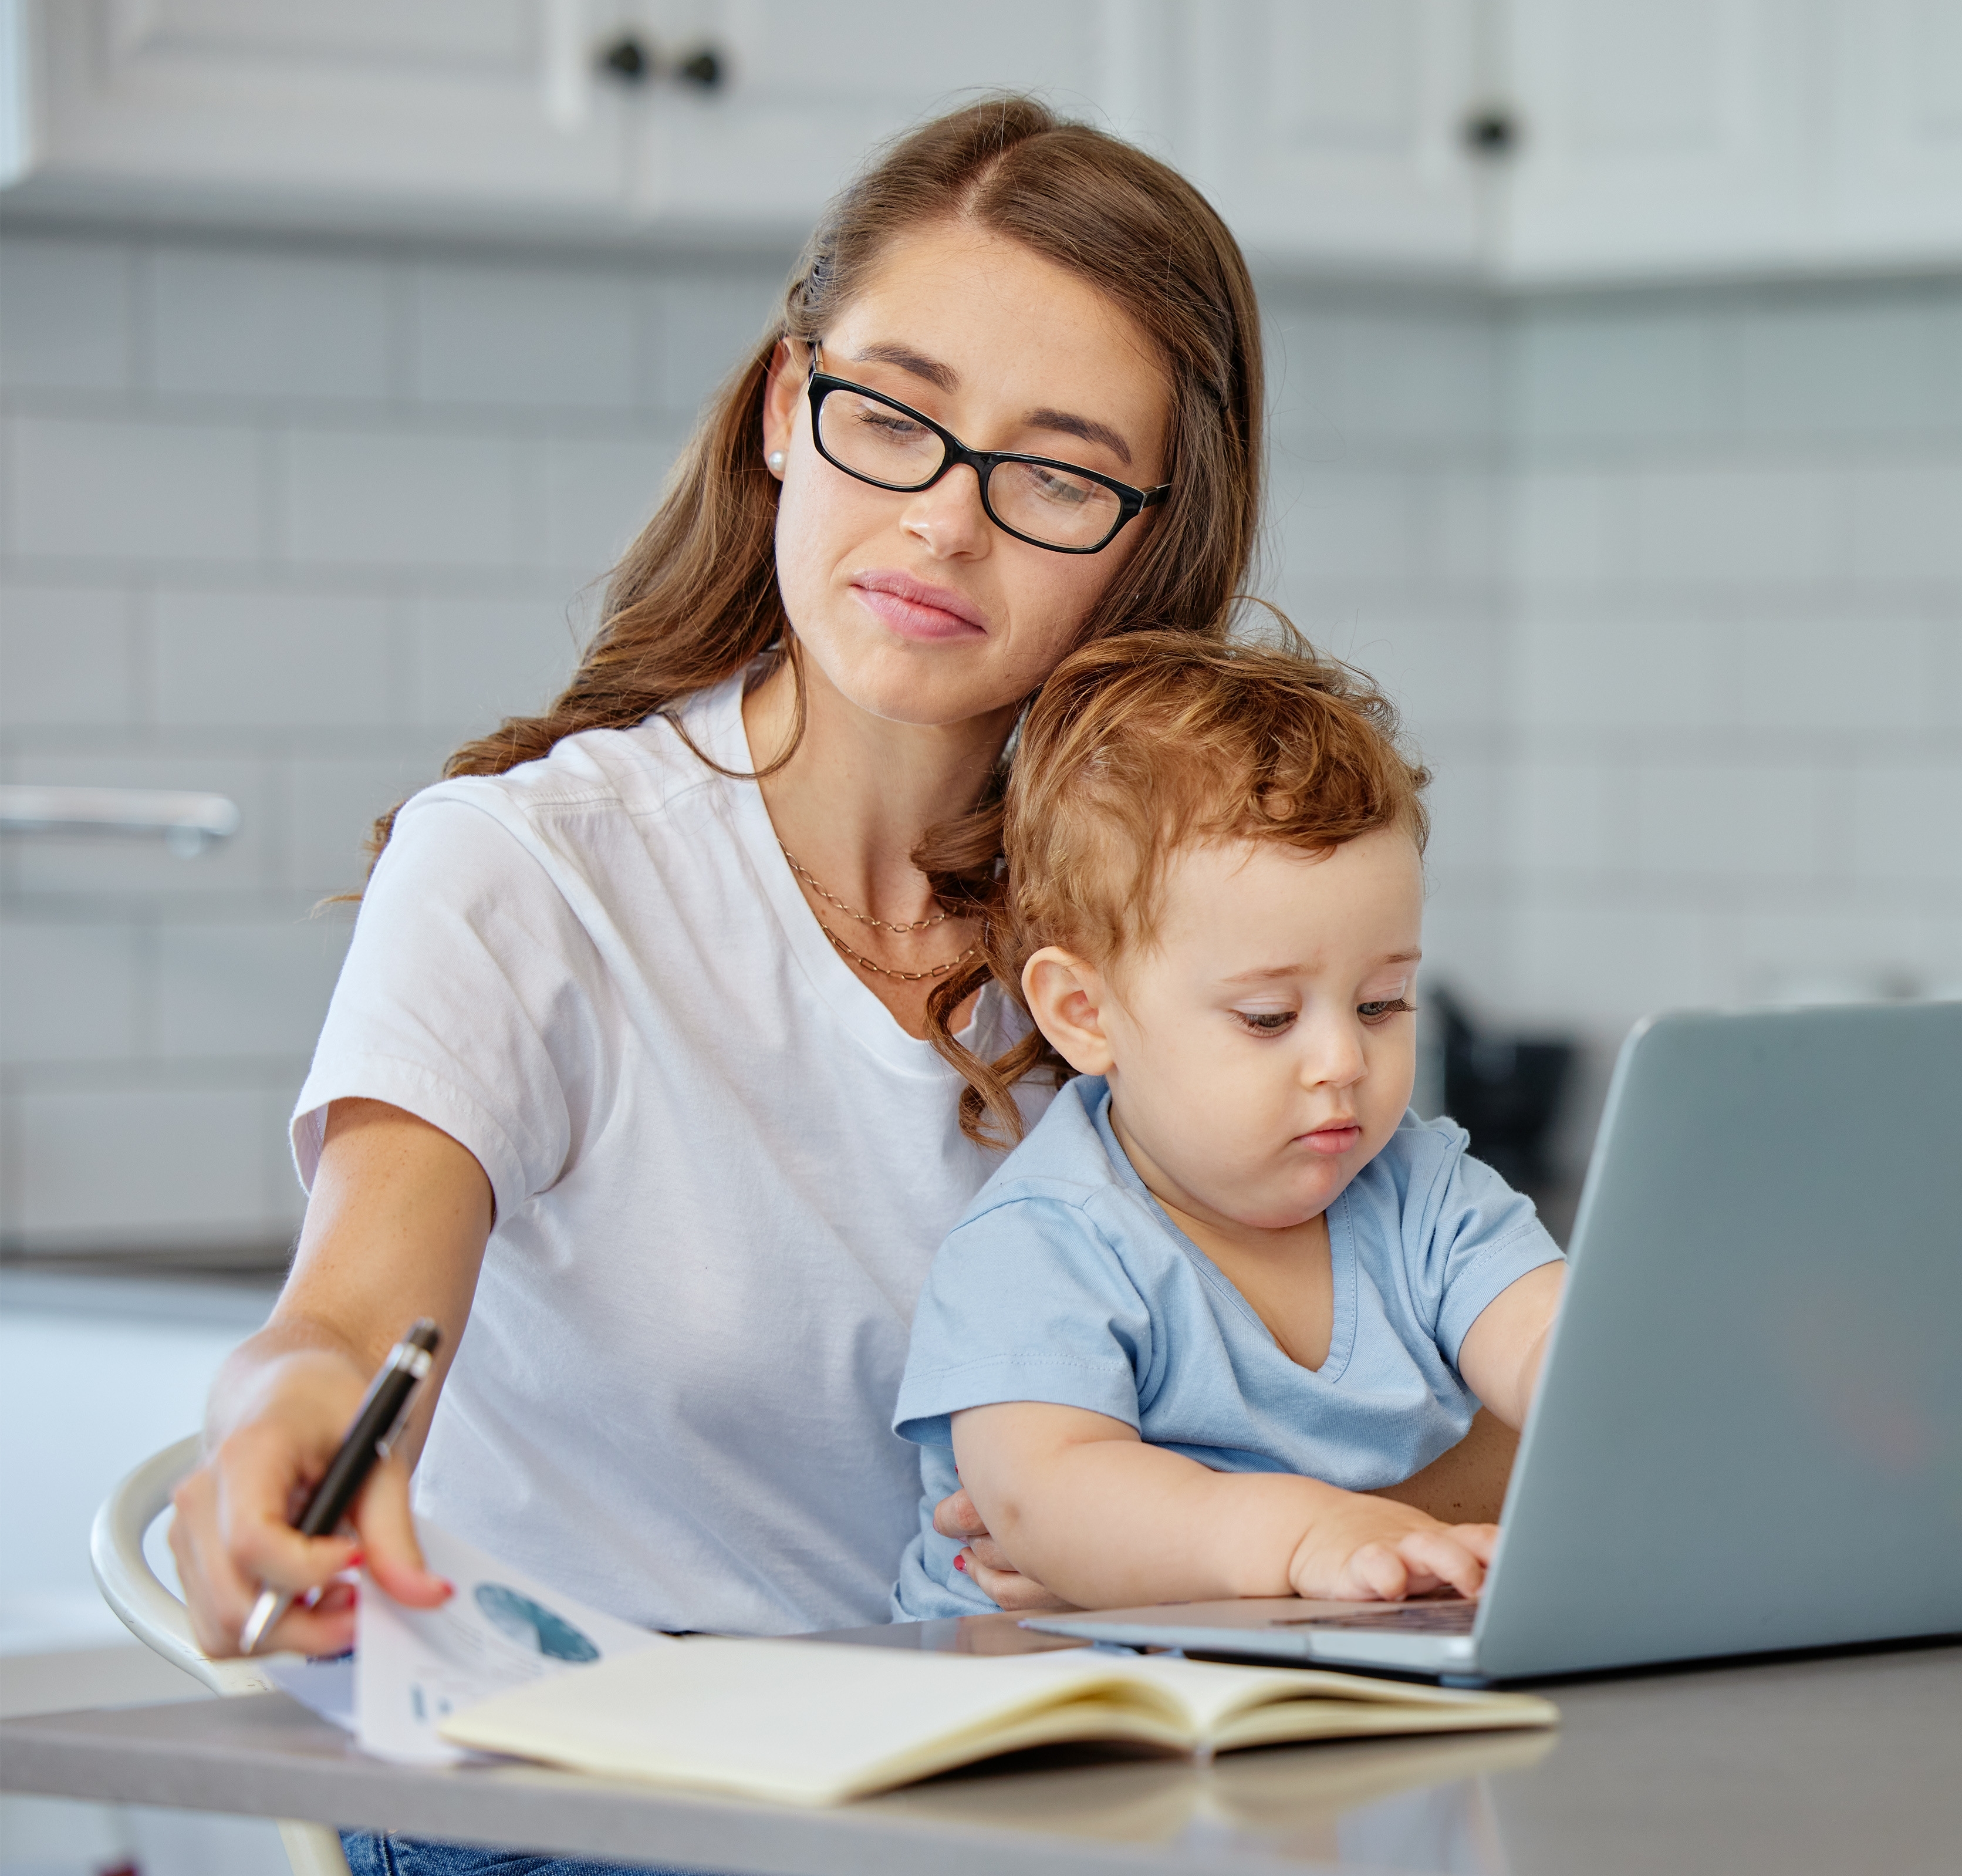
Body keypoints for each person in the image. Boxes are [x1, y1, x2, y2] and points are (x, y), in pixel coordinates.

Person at [166, 95, 1514, 1707]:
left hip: (1018, 1768)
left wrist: (1188, 1543)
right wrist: (275, 1432)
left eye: (1060, 477)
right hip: (575, 1767)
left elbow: (1481, 1418)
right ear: (788, 408)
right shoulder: (531, 873)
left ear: (1152, 547)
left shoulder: (1178, 933)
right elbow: (338, 1328)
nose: (944, 520)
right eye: (894, 416)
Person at [890, 630, 1566, 1618]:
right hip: (1029, 1712)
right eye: (1269, 1019)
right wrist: (1302, 1536)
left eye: (1382, 1004)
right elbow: (1045, 1497)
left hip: (1313, 1689)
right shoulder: (1046, 1244)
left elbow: (1556, 1344)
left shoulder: (1428, 1196)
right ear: (1085, 1014)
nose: (1343, 1061)